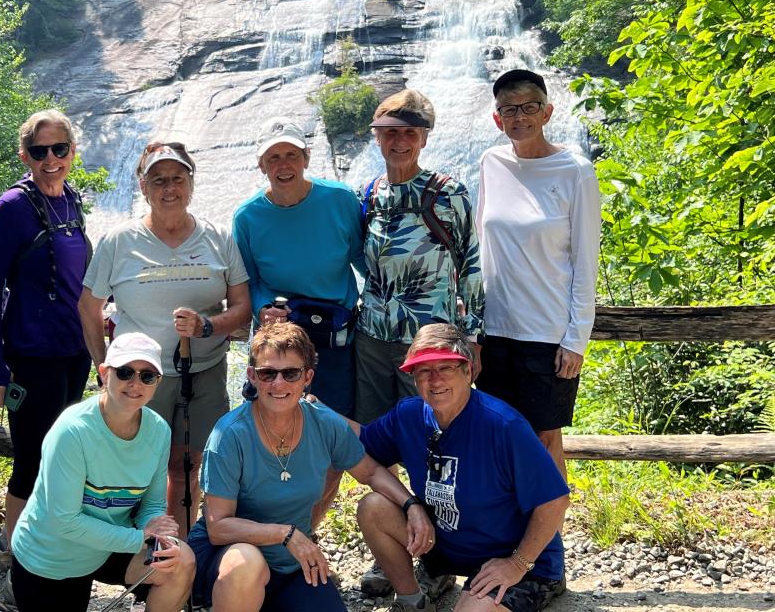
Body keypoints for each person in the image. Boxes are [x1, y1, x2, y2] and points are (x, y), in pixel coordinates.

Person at [187, 322, 433, 612]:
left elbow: (371, 472)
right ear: (252, 376)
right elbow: (218, 527)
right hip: (229, 558)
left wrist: (412, 505)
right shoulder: (229, 435)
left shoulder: (324, 423)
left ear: (308, 377)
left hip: (290, 563)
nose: (278, 384)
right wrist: (286, 534)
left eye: (291, 373)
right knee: (248, 563)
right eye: (268, 373)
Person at [79, 141, 250, 539]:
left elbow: (242, 307)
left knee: (188, 465)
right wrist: (107, 369)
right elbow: (89, 308)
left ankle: (176, 551)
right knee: (134, 466)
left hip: (204, 372)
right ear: (143, 188)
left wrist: (206, 326)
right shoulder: (119, 241)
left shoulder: (219, 237)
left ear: (191, 182)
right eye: (158, 180)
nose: (169, 188)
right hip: (139, 378)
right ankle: (126, 547)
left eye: (177, 178)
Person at [354, 89, 484, 598]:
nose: (398, 141)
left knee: (432, 450)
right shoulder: (369, 194)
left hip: (429, 347)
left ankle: (436, 557)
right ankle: (390, 549)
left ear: (424, 137)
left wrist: (471, 337)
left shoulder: (448, 194)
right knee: (376, 446)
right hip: (372, 338)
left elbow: (471, 264)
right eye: (388, 132)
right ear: (378, 139)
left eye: (408, 131)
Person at [356, 324, 570, 612]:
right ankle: (412, 600)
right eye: (423, 371)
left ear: (468, 371)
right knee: (373, 506)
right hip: (446, 544)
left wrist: (517, 564)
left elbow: (556, 500)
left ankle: (543, 582)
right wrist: (312, 410)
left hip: (517, 558)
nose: (435, 380)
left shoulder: (503, 425)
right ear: (413, 378)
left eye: (445, 368)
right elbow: (359, 444)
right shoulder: (408, 415)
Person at [232, 117, 364, 527]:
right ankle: (269, 526)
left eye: (291, 154)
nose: (283, 164)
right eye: (274, 157)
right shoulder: (248, 217)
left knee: (335, 432)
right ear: (261, 165)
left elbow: (366, 261)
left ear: (307, 157)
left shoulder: (341, 200)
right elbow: (248, 280)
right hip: (278, 337)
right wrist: (261, 310)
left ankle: (308, 528)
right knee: (269, 431)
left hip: (335, 334)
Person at [0, 109, 91, 569]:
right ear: (25, 154)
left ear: (71, 152)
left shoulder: (72, 200)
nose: (50, 159)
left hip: (74, 352)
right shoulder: (12, 209)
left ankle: (47, 541)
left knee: (64, 453)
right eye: (40, 151)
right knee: (30, 455)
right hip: (31, 354)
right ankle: (9, 551)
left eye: (59, 149)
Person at [475, 69, 601, 484]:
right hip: (494, 330)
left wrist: (576, 338)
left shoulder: (575, 171)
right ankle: (508, 535)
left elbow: (585, 260)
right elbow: (478, 243)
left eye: (529, 107)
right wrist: (473, 327)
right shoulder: (491, 163)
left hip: (547, 334)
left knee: (545, 437)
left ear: (547, 111)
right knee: (497, 435)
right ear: (497, 119)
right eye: (509, 110)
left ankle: (546, 543)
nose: (519, 117)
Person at [9, 332, 195, 612]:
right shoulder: (72, 431)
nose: (135, 383)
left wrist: (159, 532)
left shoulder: (158, 431)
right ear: (104, 373)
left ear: (158, 382)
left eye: (147, 376)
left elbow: (152, 503)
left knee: (181, 561)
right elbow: (65, 521)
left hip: (105, 548)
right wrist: (140, 536)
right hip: (51, 559)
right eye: (125, 372)